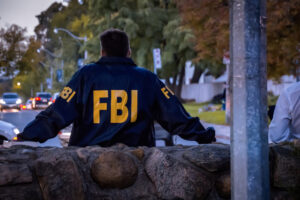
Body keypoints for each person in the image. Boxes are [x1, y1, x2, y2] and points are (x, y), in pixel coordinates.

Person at [18, 28, 216, 147]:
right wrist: (206, 136)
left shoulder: (85, 76)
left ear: (102, 52)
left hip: (87, 163)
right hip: (137, 163)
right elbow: (176, 117)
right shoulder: (147, 79)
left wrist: (25, 137)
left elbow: (56, 115)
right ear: (128, 52)